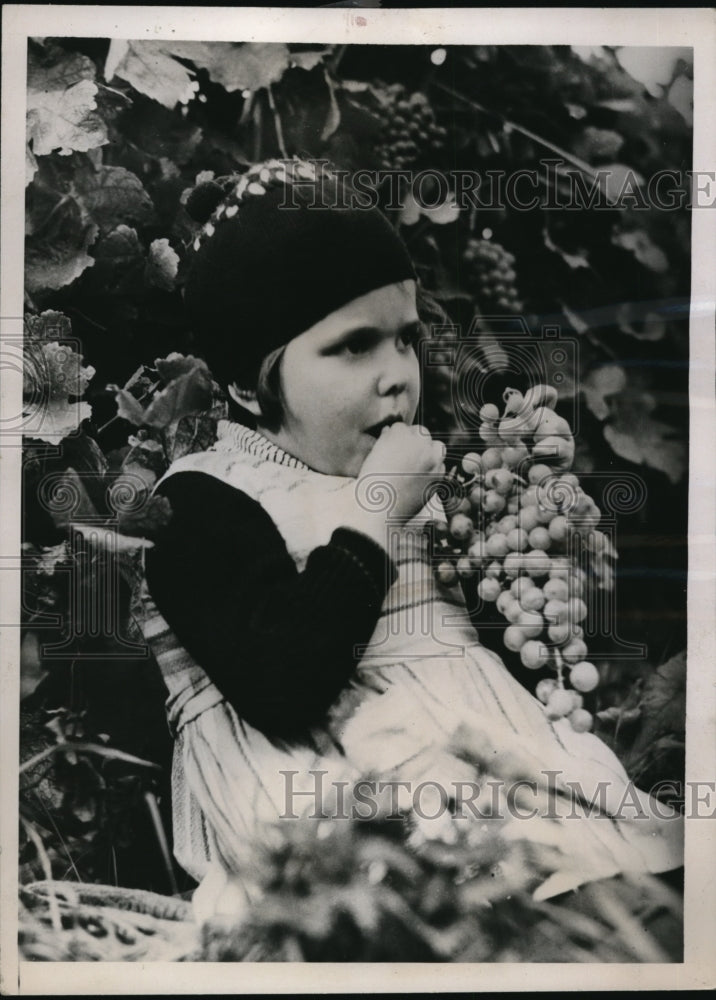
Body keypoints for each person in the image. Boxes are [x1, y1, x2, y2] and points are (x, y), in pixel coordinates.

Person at [139, 158, 682, 923]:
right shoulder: (200, 502)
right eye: (354, 346)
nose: (398, 375)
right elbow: (282, 681)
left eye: (406, 338)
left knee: (631, 896)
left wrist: (531, 507)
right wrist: (376, 509)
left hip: (488, 769)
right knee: (475, 909)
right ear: (246, 382)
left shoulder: (412, 484)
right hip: (341, 804)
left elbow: (497, 649)